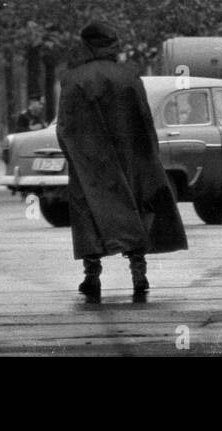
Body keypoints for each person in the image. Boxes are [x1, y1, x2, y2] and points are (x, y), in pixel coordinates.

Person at [56, 21, 187, 304]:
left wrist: (74, 158)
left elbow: (65, 127)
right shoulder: (129, 77)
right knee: (134, 211)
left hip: (89, 162)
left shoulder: (72, 79)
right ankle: (138, 274)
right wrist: (148, 156)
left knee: (89, 215)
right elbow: (144, 121)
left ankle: (92, 277)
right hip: (129, 159)